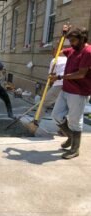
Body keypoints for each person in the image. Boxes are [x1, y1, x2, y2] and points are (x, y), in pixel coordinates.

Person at [50, 26, 91, 159]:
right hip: (66, 89)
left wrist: (60, 77)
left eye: (73, 40)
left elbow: (81, 74)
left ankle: (75, 149)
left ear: (82, 39)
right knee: (56, 115)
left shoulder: (88, 52)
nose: (71, 44)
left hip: (79, 92)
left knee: (74, 120)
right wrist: (62, 36)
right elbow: (56, 52)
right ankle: (70, 137)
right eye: (70, 41)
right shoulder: (73, 50)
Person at [38, 47, 67, 122]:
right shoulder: (68, 59)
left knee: (44, 103)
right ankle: (63, 128)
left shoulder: (55, 60)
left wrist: (48, 89)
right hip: (70, 86)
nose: (52, 54)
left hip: (59, 85)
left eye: (52, 52)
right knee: (65, 108)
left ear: (56, 52)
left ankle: (36, 121)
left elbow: (51, 77)